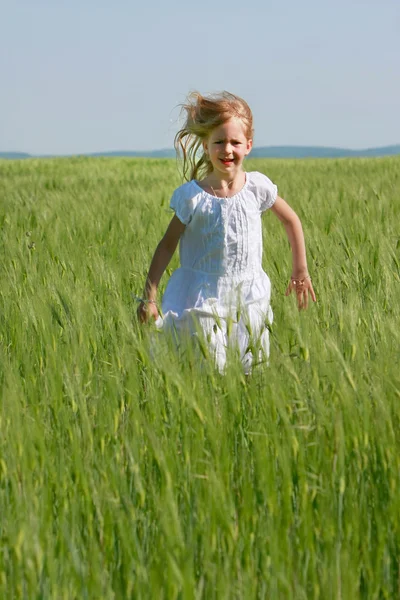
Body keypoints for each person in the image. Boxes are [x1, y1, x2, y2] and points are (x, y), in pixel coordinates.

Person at [137, 91, 316, 373]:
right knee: (210, 372)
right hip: (203, 298)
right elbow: (167, 245)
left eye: (235, 142)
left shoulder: (257, 188)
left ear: (249, 146)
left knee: (250, 370)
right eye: (219, 142)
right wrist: (150, 296)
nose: (227, 149)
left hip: (249, 297)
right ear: (206, 146)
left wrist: (300, 271)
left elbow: (292, 221)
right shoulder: (193, 197)